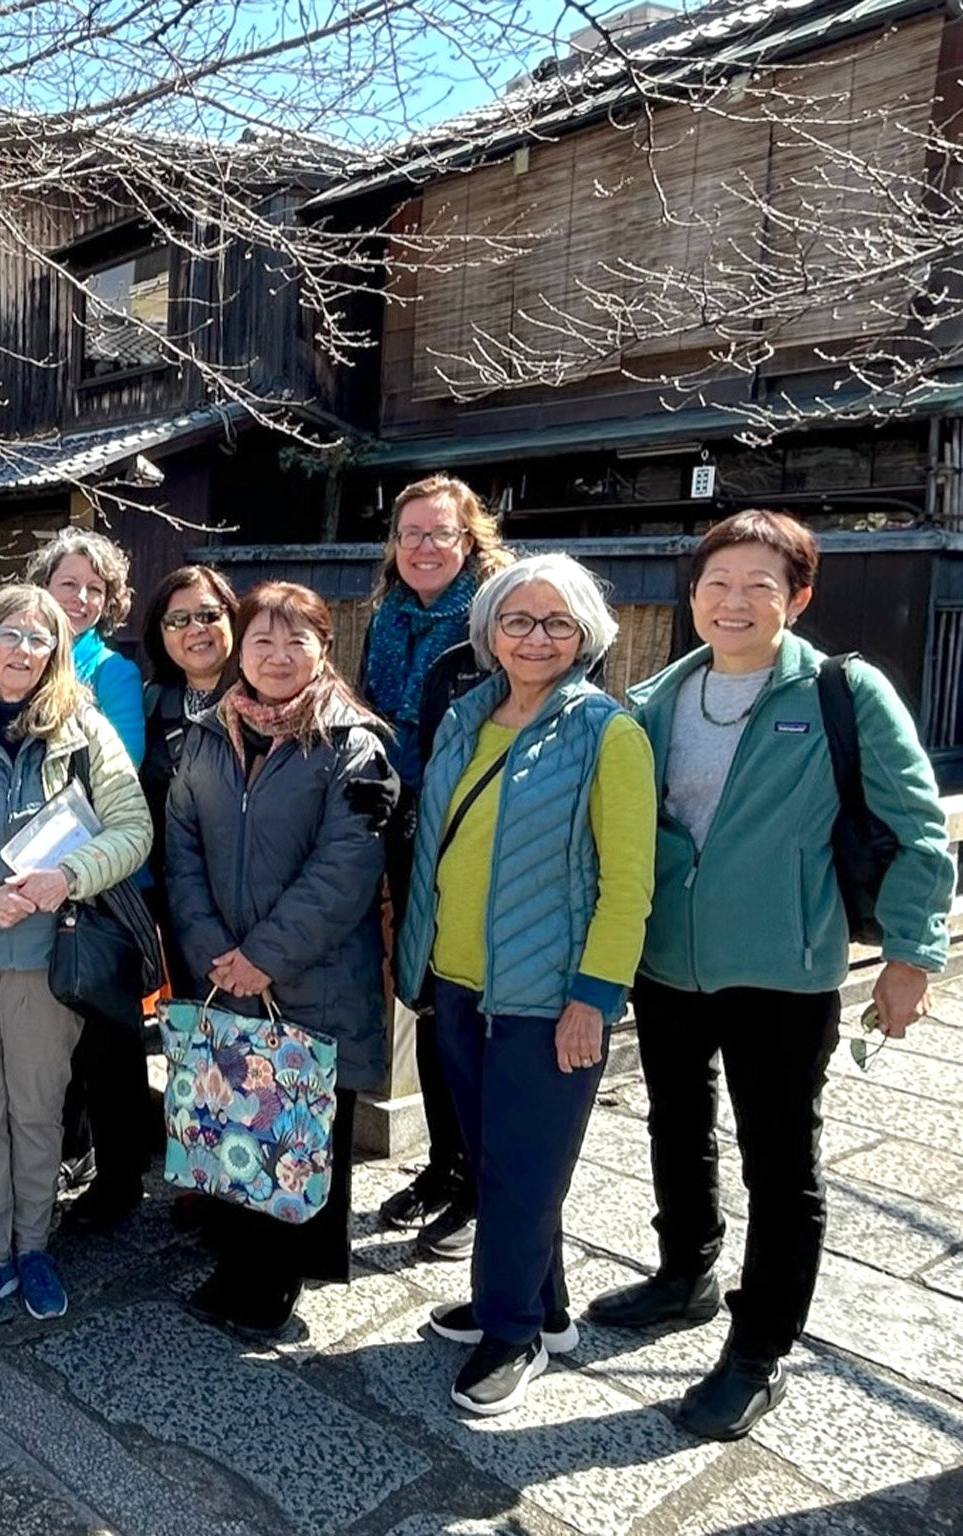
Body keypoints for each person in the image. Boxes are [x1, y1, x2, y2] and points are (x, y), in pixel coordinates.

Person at [585, 511, 954, 1440]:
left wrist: (911, 956)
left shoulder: (842, 691)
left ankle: (760, 1351)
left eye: (760, 583)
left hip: (784, 966)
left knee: (781, 1162)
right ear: (694, 595)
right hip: (669, 958)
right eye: (717, 583)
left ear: (799, 595)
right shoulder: (662, 695)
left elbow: (916, 827)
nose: (735, 600)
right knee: (677, 1121)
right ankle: (685, 1273)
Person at [394, 554, 655, 1417]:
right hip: (459, 982)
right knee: (502, 1162)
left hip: (547, 997)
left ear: (585, 635)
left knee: (521, 1171)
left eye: (556, 623)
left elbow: (629, 884)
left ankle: (511, 1336)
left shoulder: (606, 732)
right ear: (489, 631)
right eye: (517, 620)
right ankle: (543, 1309)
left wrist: (595, 997)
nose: (535, 637)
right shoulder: (469, 717)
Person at [0, 585, 151, 1329]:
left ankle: (33, 1247)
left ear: (55, 654)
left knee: (38, 1112)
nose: (21, 650)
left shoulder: (84, 729)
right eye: (7, 634)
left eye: (38, 640)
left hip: (49, 954)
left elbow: (131, 828)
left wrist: (65, 878)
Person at [164, 582, 396, 1337]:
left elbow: (346, 869)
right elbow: (183, 850)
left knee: (302, 1131)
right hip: (224, 966)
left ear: (323, 648)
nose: (276, 655)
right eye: (261, 639)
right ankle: (239, 1263)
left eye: (295, 640)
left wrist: (263, 956)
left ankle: (283, 1275)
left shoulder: (352, 745)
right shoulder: (207, 734)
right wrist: (209, 948)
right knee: (238, 1121)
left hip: (313, 972)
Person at [358, 474, 512, 1263]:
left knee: (469, 1004)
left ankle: (481, 1186)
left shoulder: (493, 622)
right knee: (423, 995)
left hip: (471, 832)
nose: (423, 547)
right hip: (400, 821)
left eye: (439, 533)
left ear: (468, 540)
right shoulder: (388, 615)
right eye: (410, 533)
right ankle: (446, 1166)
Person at [25, 526, 151, 1227]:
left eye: (94, 589)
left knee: (106, 1032)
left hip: (99, 878)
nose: (78, 598)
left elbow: (118, 772)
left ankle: (121, 1175)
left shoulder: (114, 673)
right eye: (67, 583)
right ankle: (63, 1157)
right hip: (26, 880)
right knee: (48, 1030)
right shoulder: (14, 653)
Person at [137, 564, 236, 999]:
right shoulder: (152, 705)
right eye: (177, 620)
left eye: (209, 615)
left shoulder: (268, 698)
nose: (195, 629)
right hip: (181, 907)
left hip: (256, 904)